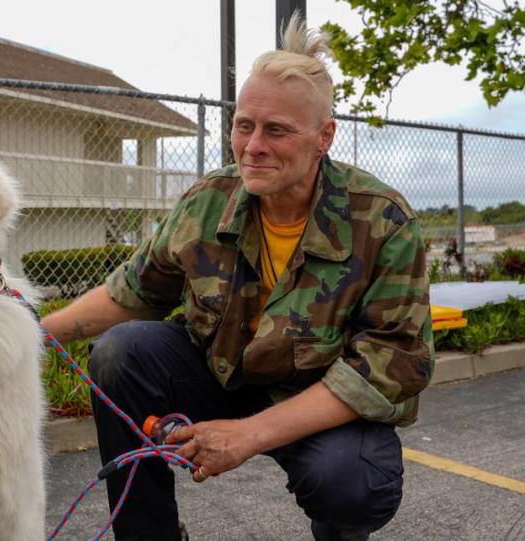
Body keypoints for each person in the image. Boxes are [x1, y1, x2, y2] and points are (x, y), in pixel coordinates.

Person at [42, 13, 434, 541]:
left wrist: (249, 435)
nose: (253, 146)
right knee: (121, 352)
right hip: (221, 377)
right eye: (243, 125)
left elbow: (392, 364)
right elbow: (133, 293)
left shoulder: (382, 220)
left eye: (276, 130)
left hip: (317, 402)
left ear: (324, 137)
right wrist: (36, 333)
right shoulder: (208, 202)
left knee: (353, 482)